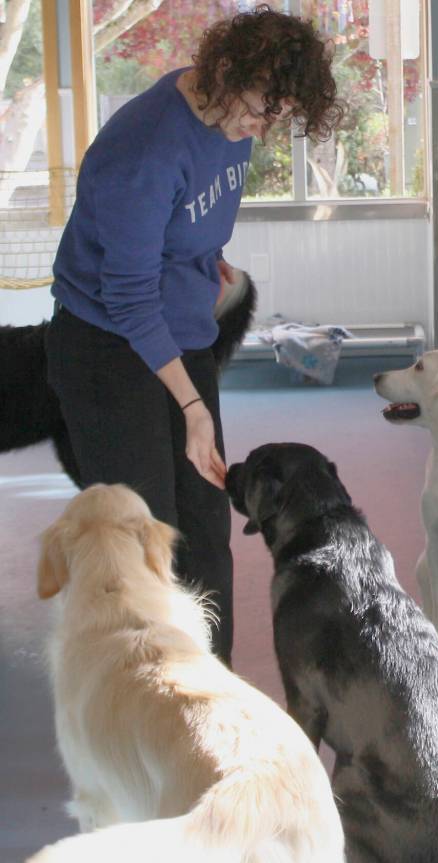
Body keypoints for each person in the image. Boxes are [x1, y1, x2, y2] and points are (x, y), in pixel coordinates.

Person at [46, 3, 343, 663]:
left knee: (206, 534)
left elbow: (188, 225)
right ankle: (151, 699)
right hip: (105, 346)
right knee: (146, 539)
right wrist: (191, 407)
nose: (259, 129)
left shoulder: (232, 123)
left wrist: (207, 263)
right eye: (260, 110)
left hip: (179, 335)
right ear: (227, 68)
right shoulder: (145, 147)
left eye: (275, 118)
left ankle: (211, 691)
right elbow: (128, 296)